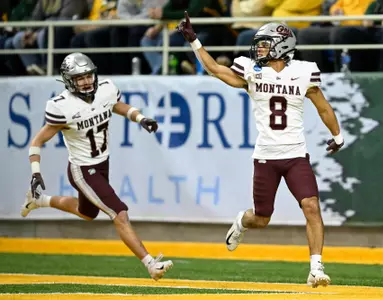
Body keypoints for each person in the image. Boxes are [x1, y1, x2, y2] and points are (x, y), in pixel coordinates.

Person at [177, 12, 344, 288]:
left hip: (295, 155)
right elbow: (216, 71)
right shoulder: (252, 72)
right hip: (266, 157)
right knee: (262, 218)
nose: (260, 49)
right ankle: (242, 222)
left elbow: (323, 107)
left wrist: (337, 135)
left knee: (311, 206)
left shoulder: (303, 72)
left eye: (266, 44)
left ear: (282, 45)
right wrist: (194, 41)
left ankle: (316, 268)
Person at [21, 52, 173, 281]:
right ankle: (150, 263)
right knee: (119, 213)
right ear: (68, 80)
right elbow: (37, 141)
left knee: (86, 213)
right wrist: (35, 173)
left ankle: (40, 200)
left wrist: (141, 118)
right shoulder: (61, 106)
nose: (86, 81)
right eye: (79, 78)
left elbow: (118, 106)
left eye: (88, 75)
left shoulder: (106, 89)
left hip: (102, 164)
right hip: (82, 170)